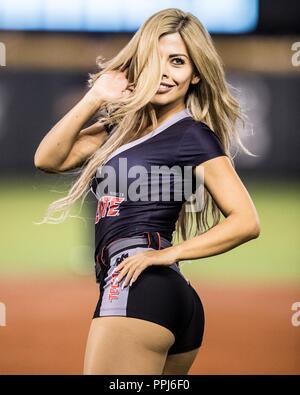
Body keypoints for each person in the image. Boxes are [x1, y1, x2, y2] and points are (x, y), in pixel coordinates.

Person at [34, 8, 260, 375]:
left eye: (178, 61)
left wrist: (168, 254)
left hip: (139, 288)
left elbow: (246, 221)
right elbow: (48, 158)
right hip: (161, 298)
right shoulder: (119, 131)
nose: (166, 72)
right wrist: (95, 98)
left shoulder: (192, 135)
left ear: (196, 74)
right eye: (156, 59)